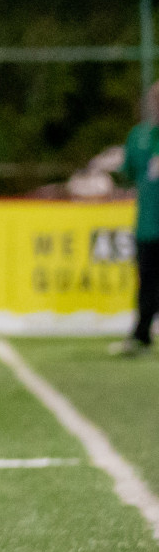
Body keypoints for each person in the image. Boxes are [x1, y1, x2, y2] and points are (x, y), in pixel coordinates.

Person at [110, 80, 159, 357]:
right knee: (147, 282)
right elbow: (127, 172)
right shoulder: (139, 137)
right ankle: (142, 334)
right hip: (149, 224)